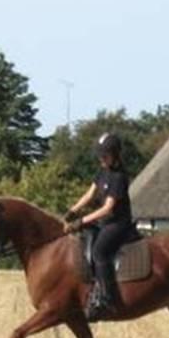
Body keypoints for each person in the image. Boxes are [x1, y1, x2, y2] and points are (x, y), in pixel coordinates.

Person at [63, 132, 135, 321]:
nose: (101, 158)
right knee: (83, 243)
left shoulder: (119, 177)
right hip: (105, 222)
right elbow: (90, 194)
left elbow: (108, 208)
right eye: (100, 154)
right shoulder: (103, 171)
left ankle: (107, 297)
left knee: (99, 252)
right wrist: (72, 211)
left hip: (118, 223)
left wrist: (81, 221)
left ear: (115, 154)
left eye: (105, 155)